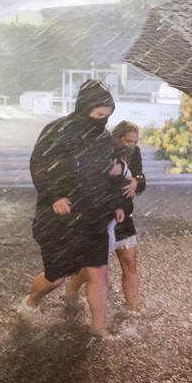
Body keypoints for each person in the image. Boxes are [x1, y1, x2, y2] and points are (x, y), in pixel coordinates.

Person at [23, 79, 126, 336]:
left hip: (93, 216)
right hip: (60, 217)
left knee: (99, 272)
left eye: (107, 116)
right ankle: (31, 301)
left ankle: (98, 329)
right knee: (55, 278)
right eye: (98, 115)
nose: (102, 121)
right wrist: (55, 196)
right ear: (84, 109)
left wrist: (116, 203)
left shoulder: (104, 139)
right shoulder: (56, 131)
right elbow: (38, 165)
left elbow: (109, 175)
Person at [65, 121, 146, 312]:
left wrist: (137, 181)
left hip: (125, 217)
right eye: (128, 141)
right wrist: (114, 205)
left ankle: (133, 311)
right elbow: (97, 186)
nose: (132, 145)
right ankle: (72, 287)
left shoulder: (135, 152)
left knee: (130, 264)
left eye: (135, 141)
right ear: (117, 138)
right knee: (94, 268)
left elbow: (140, 177)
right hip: (102, 217)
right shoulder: (103, 154)